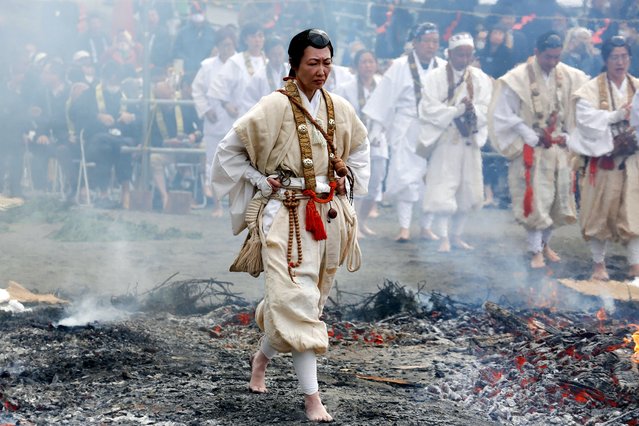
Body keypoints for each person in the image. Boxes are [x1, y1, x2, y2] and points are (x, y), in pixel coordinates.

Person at [211, 29, 369, 422]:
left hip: (327, 216)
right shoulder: (272, 106)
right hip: (284, 218)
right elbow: (228, 151)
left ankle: (260, 359)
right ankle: (312, 397)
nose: (321, 71)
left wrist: (347, 193)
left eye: (327, 63)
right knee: (297, 302)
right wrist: (260, 180)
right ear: (294, 65)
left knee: (306, 301)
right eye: (313, 63)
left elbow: (361, 148)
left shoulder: (339, 108)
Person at [488, 31, 589, 269]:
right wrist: (527, 132)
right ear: (536, 53)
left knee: (556, 199)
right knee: (535, 201)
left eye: (557, 57)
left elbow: (582, 107)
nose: (553, 62)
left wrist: (568, 134)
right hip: (531, 151)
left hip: (558, 149)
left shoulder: (570, 75)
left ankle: (545, 245)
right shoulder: (516, 78)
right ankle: (534, 251)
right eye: (548, 57)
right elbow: (502, 114)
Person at [363, 22, 446, 242]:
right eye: (427, 41)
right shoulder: (400, 66)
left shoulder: (443, 67)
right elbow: (384, 99)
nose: (431, 46)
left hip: (434, 128)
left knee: (431, 178)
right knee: (406, 177)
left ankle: (426, 226)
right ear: (416, 43)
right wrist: (376, 131)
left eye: (435, 42)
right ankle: (404, 227)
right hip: (407, 125)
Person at [568, 36, 639, 280]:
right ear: (605, 59)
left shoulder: (637, 86)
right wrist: (617, 115)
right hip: (604, 161)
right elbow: (586, 122)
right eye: (615, 57)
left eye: (624, 56)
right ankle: (599, 266)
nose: (620, 62)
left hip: (631, 162)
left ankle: (635, 265)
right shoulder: (589, 89)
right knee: (599, 214)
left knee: (634, 211)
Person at [417, 33, 493, 252]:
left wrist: (472, 109)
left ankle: (457, 235)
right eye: (460, 54)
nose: (464, 58)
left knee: (467, 189)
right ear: (449, 54)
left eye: (468, 54)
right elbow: (428, 109)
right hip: (447, 139)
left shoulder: (479, 78)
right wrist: (455, 110)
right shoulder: (435, 77)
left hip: (469, 139)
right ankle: (443, 238)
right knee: (443, 188)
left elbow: (487, 107)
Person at [335, 49, 387, 236]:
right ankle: (352, 223)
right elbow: (341, 114)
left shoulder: (382, 85)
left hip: (378, 140)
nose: (368, 66)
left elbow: (387, 111)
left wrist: (377, 132)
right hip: (355, 142)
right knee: (354, 181)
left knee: (375, 183)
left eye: (371, 62)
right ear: (357, 65)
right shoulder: (346, 87)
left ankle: (362, 221)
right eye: (364, 62)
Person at [191, 26, 237, 216]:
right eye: (223, 45)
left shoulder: (240, 64)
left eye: (230, 45)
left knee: (237, 164)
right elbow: (197, 90)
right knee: (213, 163)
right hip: (214, 121)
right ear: (217, 46)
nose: (226, 49)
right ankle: (217, 205)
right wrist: (205, 109)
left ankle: (235, 206)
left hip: (236, 120)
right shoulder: (208, 66)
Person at [208, 21, 266, 120]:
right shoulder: (236, 62)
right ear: (245, 39)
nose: (257, 40)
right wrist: (226, 104)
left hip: (265, 116)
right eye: (253, 36)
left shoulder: (269, 62)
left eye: (260, 36)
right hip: (242, 116)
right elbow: (218, 86)